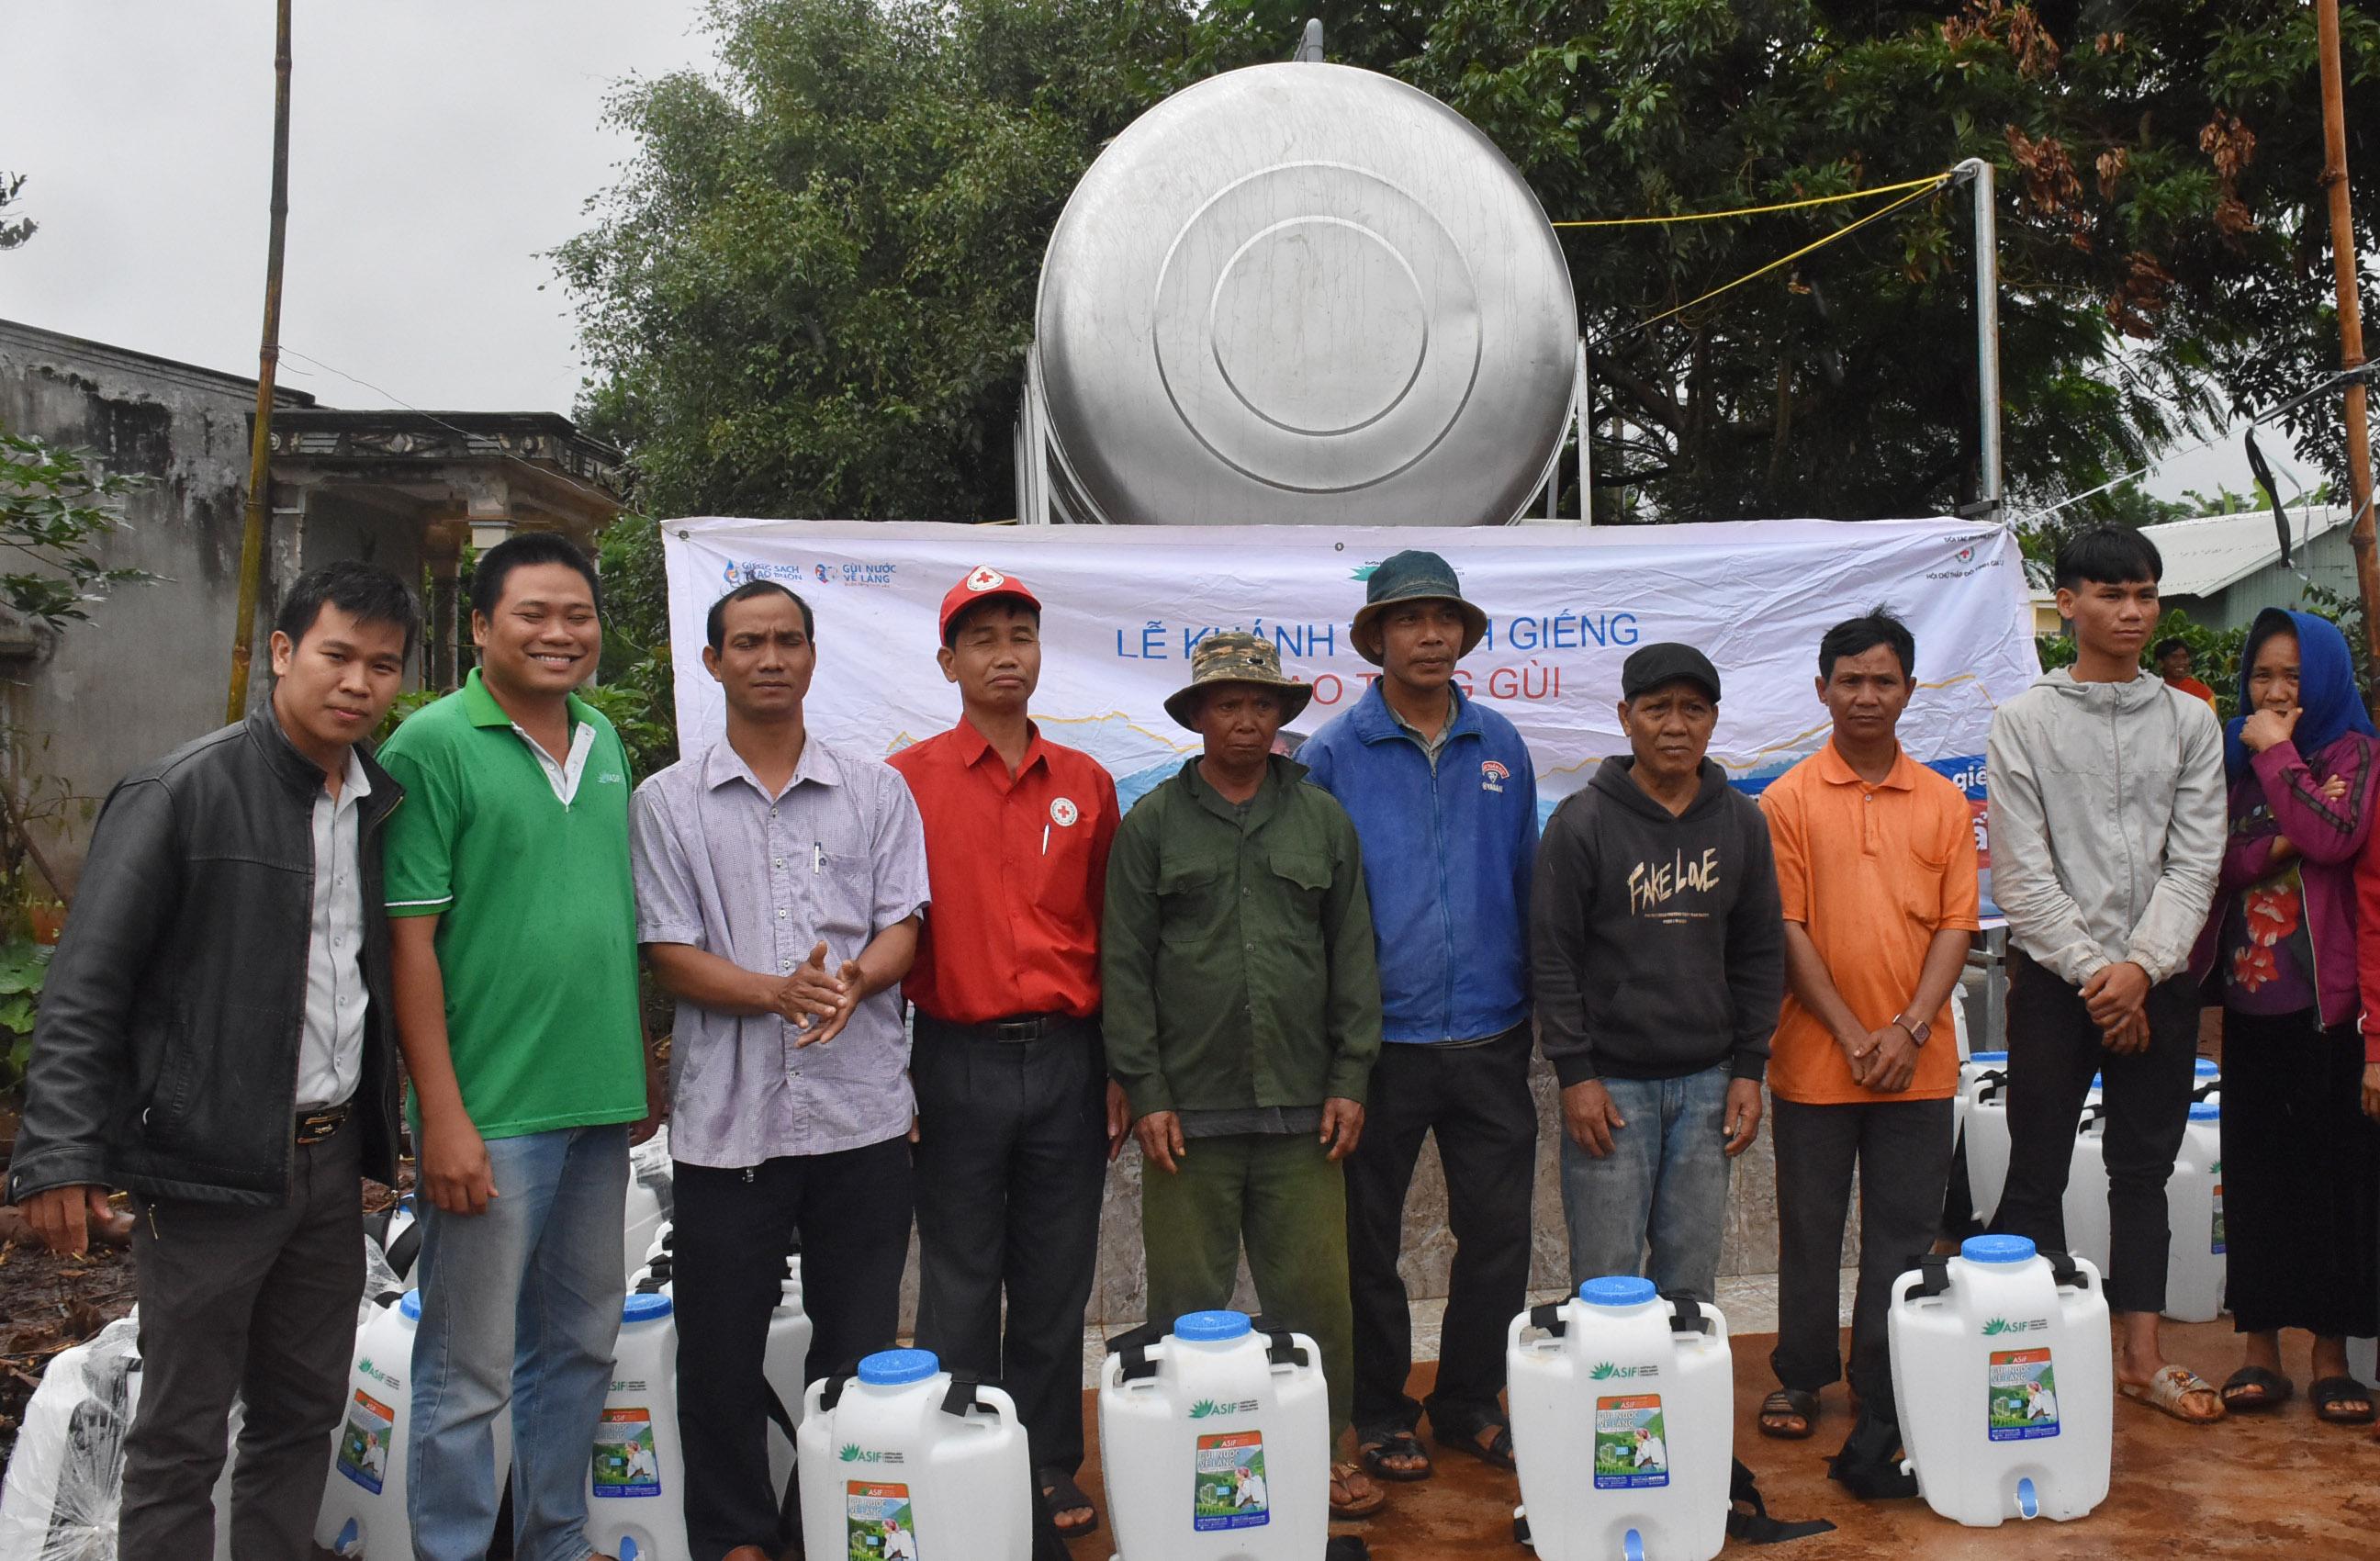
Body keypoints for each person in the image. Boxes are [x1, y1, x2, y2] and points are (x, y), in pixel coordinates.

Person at [5, 562, 417, 1560]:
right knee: (181, 1433)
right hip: (204, 1167)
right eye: (336, 655)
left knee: (301, 1409)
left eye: (382, 665)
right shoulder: (182, 791)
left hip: (327, 1166)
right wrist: (56, 1154)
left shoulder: (374, 801)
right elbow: (87, 982)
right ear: (283, 653)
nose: (357, 682)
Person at [632, 578, 929, 1561]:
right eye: (748, 642)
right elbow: (668, 949)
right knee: (718, 1352)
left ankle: (825, 1526)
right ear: (712, 662)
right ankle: (735, 1538)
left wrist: (854, 979)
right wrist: (777, 991)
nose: (770, 658)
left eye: (788, 640)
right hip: (730, 1123)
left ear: (811, 656)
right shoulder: (667, 803)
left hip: (863, 1121)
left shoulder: (876, 790)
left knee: (856, 1353)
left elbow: (903, 926)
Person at [380, 533, 657, 1560]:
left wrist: (635, 1064)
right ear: (482, 626)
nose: (559, 632)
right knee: (469, 1368)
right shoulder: (434, 744)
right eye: (533, 614)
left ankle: (553, 1538)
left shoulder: (603, 738)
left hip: (594, 1104)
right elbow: (409, 943)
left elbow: (607, 916)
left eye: (576, 615)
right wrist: (439, 1113)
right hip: (489, 1114)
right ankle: (451, 1548)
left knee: (579, 1346)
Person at [1103, 631, 1386, 1521]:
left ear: (1281, 716)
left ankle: (1332, 1442)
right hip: (1188, 1114)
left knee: (1316, 1301)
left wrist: (1350, 1076)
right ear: (1198, 717)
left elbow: (1352, 955)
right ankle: (1183, 1455)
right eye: (1228, 703)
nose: (1247, 719)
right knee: (1187, 1305)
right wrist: (1145, 1091)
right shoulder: (1152, 823)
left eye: (1262, 704)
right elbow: (1124, 965)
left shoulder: (1320, 818)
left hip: (1307, 1112)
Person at [889, 566, 1124, 1537]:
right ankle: (960, 1455)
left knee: (1055, 1274)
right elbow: (886, 927)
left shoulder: (1086, 783)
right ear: (948, 661)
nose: (1004, 654)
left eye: (1020, 634)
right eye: (981, 638)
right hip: (955, 1057)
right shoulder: (904, 783)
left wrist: (1118, 1069)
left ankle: (1045, 1461)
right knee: (957, 1274)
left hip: (1068, 1056)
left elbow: (1115, 933)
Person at [1300, 549, 1538, 1483]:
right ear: (1377, 639)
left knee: (1499, 1232)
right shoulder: (1331, 752)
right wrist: (1335, 1042)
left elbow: (1525, 878)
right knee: (1369, 1240)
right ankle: (1380, 1407)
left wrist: (1542, 1012)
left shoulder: (1502, 744)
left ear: (1465, 635)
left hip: (1490, 1033)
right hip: (1379, 1044)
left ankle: (1471, 1398)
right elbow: (1313, 904)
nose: (1431, 635)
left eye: (1446, 619)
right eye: (1410, 619)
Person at [1985, 523, 2227, 1424]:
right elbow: (2022, 873)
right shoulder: (2024, 721)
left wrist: (2142, 969)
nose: (2132, 611)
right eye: (2112, 593)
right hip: (2055, 980)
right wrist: (2100, 975)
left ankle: (2142, 1356)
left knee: (2145, 1166)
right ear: (2070, 602)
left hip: (2158, 975)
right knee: (2036, 1162)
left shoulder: (2189, 719)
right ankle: (2026, 1353)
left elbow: (2195, 862)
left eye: (2146, 594)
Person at [1754, 609, 1981, 1448]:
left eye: (1883, 680)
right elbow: (1786, 929)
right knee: (1811, 1228)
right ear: (1821, 691)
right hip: (1817, 1062)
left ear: (1910, 691)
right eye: (1849, 681)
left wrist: (1910, 1028)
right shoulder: (1785, 801)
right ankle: (1801, 1377)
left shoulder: (1945, 802)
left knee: (1903, 1233)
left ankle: (1883, 1381)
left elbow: (1958, 925)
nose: (1866, 696)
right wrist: (1855, 1035)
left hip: (1919, 1065)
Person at [1532, 642, 1783, 1301]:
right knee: (1607, 1283)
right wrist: (1576, 1075)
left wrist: (1749, 1071)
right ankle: (1610, 1402)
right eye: (1657, 708)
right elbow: (1552, 957)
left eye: (1694, 710)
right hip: (1611, 1091)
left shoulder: (1742, 823)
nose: (1676, 725)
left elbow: (1759, 954)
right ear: (1625, 716)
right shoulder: (1581, 822)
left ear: (1713, 720)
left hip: (1708, 1086)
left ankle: (1684, 1404)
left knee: (1689, 1284)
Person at [2186, 608, 2379, 1423]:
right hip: (2249, 1004)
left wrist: (2277, 758)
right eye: (2261, 676)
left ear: (2325, 679)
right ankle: (2258, 1351)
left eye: (2292, 678)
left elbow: (2333, 836)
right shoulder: (2233, 763)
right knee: (2255, 1179)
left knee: (2337, 1182)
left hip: (2331, 1012)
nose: (2272, 693)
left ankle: (2331, 1359)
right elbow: (2216, 858)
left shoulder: (2356, 754)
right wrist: (2277, 833)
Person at [2156, 636, 2218, 708]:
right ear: (2160, 663)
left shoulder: (2203, 692)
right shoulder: (2153, 690)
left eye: (2185, 657)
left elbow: (2211, 718)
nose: (2181, 662)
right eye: (2174, 657)